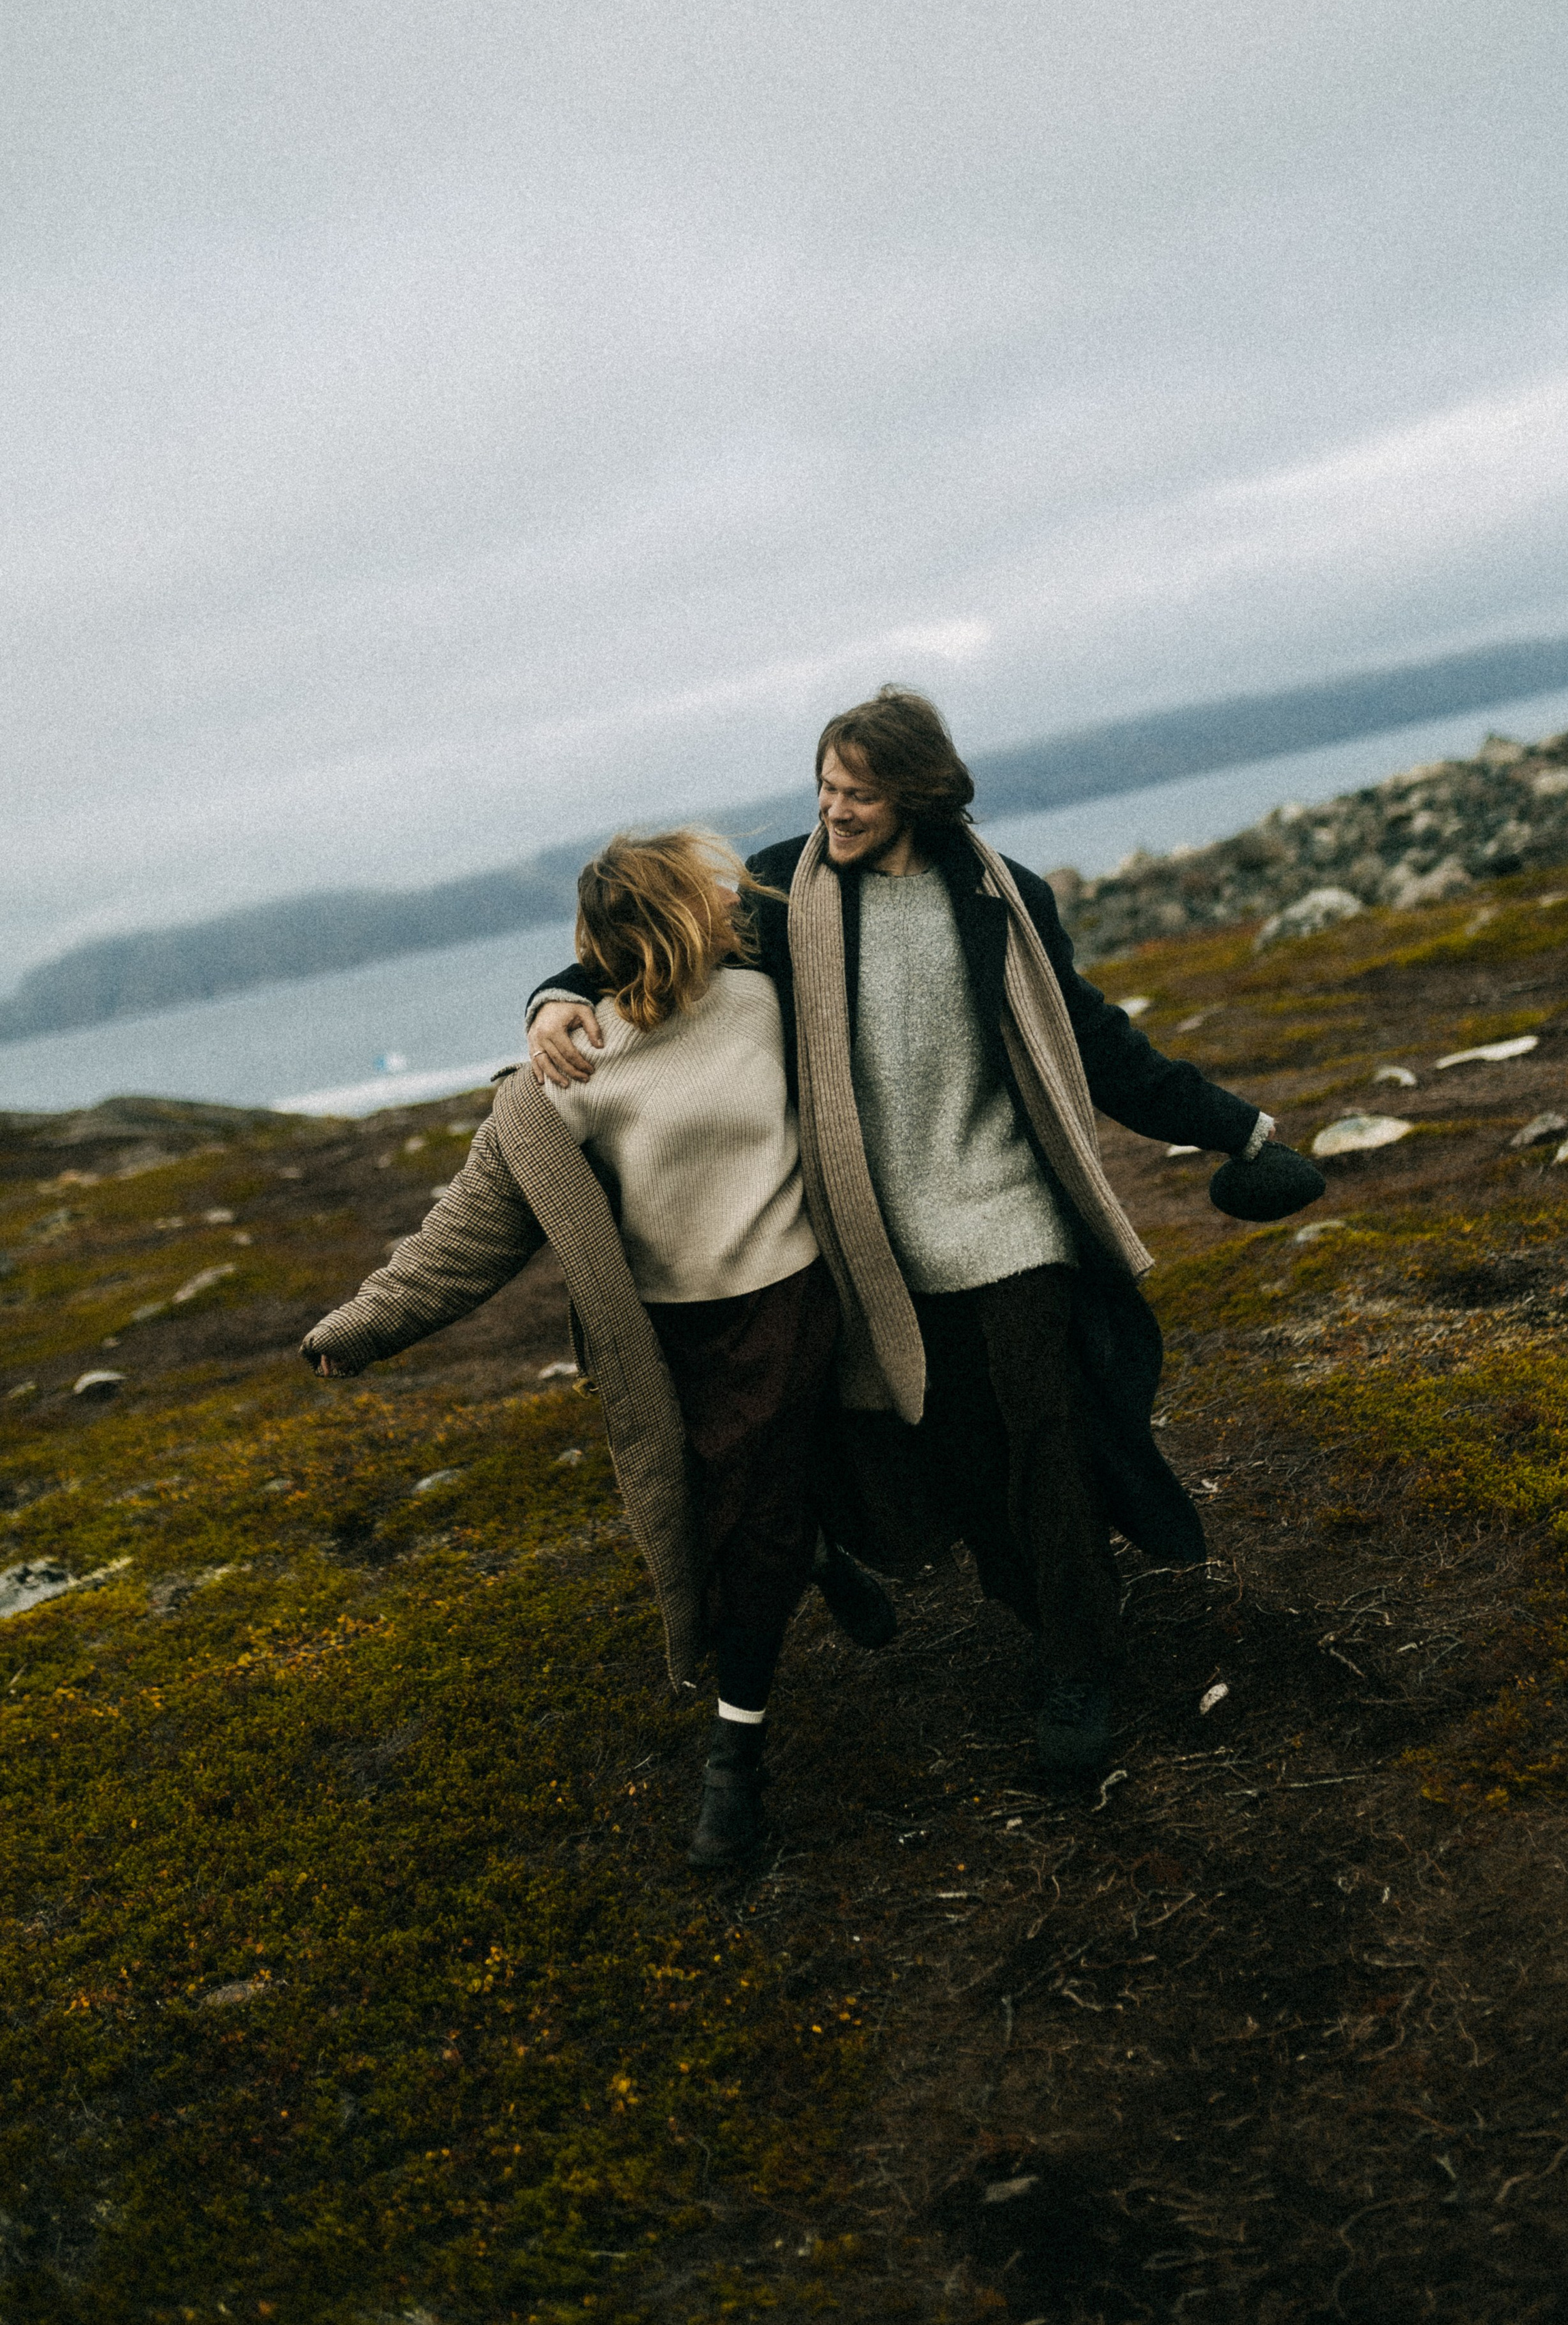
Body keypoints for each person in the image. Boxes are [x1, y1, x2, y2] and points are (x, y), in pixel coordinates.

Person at [527, 689, 1321, 1778]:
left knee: (1050, 1435)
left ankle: (1082, 1668)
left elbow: (1096, 1043)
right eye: (825, 785)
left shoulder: (1006, 900)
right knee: (962, 1454)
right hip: (878, 1240)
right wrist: (554, 996)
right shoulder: (780, 894)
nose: (834, 809)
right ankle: (1049, 1611)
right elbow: (662, 947)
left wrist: (1238, 1128)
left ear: (919, 793)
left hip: (1009, 1214)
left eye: (859, 792)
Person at [302, 828, 892, 1869]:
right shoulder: (570, 1069)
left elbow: (816, 871)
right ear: (665, 925)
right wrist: (361, 1328)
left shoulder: (766, 995)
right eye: (701, 898)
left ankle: (734, 1760)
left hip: (796, 1305)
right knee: (730, 1515)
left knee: (752, 1533)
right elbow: (471, 1228)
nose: (726, 904)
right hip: (676, 1339)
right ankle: (815, 1552)